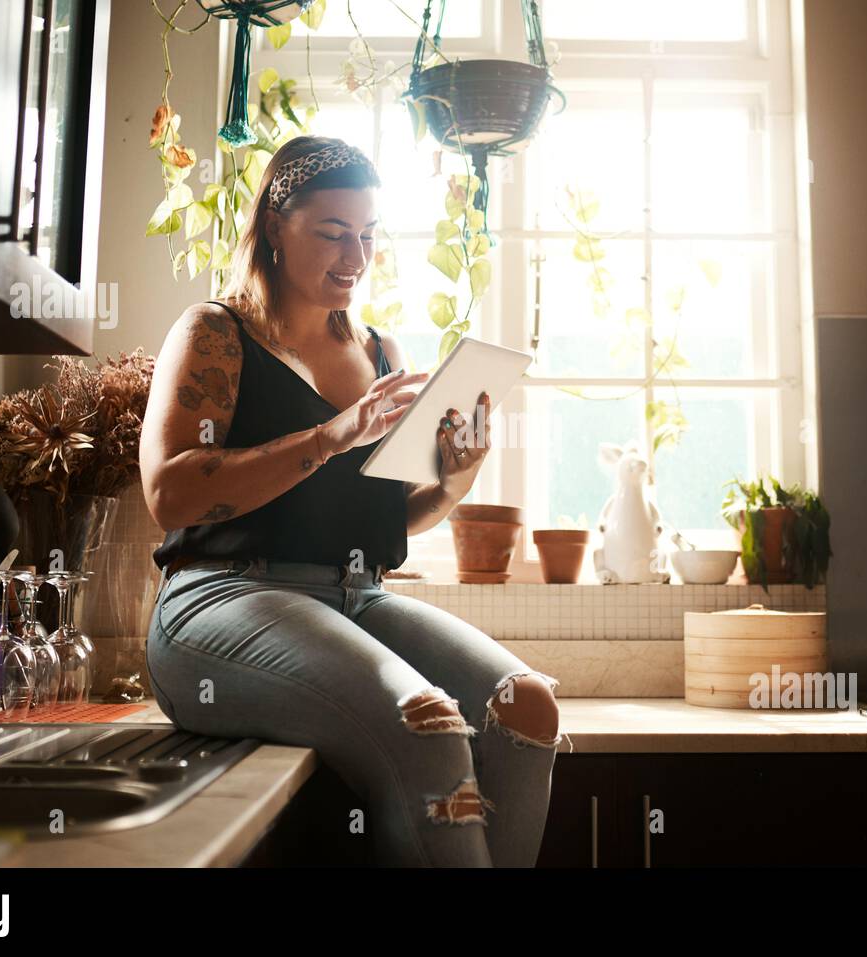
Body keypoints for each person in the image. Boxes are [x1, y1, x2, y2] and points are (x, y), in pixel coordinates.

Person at [139, 135, 563, 867]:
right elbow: (169, 493)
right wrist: (331, 435)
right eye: (332, 233)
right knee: (426, 720)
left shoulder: (382, 353)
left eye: (367, 236)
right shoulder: (217, 333)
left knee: (527, 708)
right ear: (275, 226)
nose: (355, 257)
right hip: (217, 602)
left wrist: (456, 479)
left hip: (356, 597)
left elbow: (386, 521)